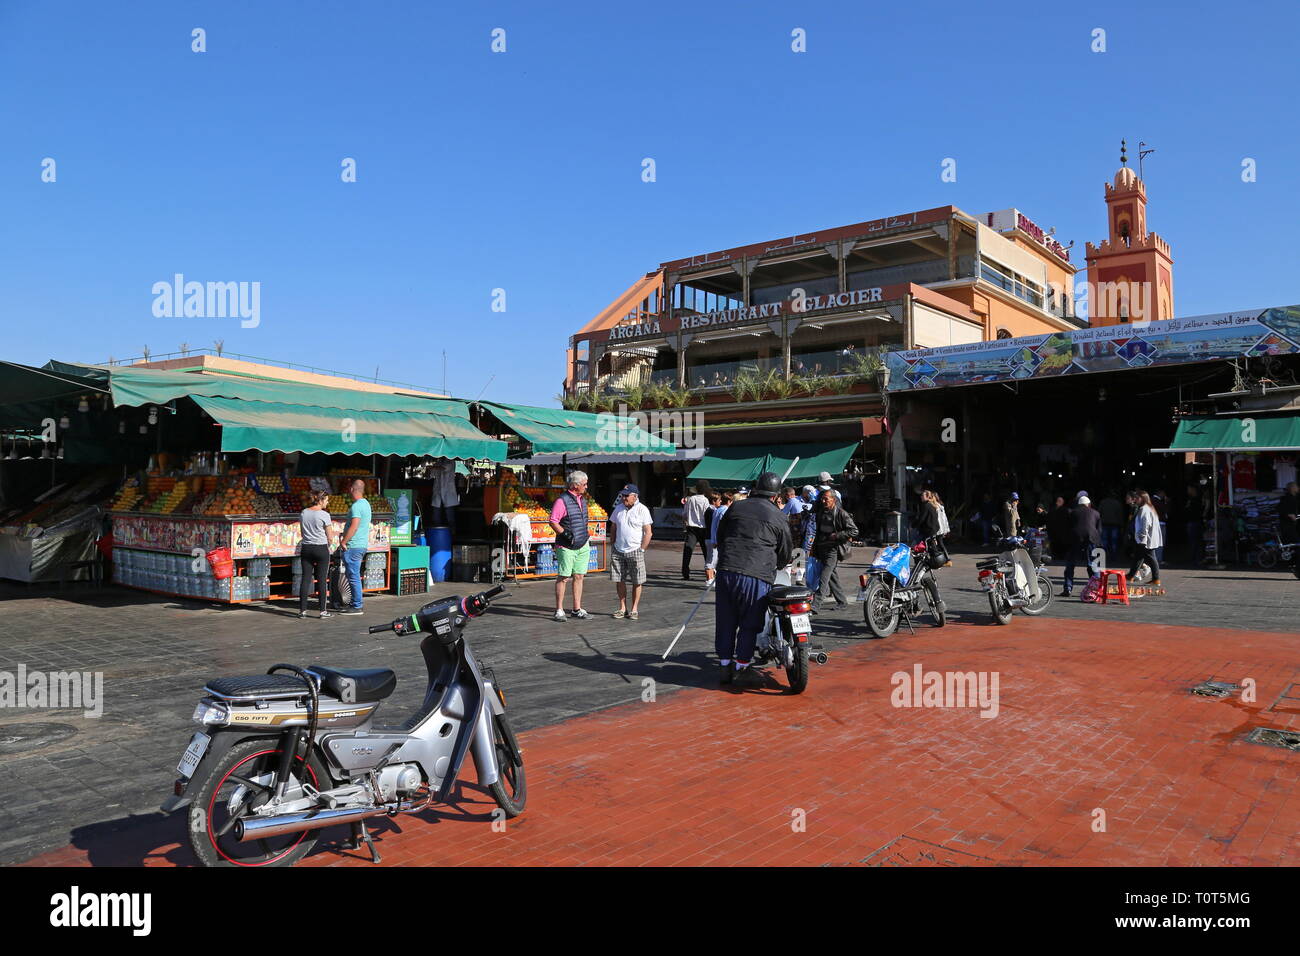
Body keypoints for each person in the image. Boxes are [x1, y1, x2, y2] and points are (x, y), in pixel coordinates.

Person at [714, 471, 792, 689]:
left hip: (727, 570)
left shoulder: (736, 507)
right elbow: (785, 552)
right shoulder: (778, 516)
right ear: (776, 495)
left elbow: (721, 537)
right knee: (750, 622)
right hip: (756, 574)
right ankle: (742, 667)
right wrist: (778, 564)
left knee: (726, 620)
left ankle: (724, 665)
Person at [549, 470, 592, 621]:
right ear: (575, 485)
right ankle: (559, 609)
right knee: (564, 577)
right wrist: (564, 533)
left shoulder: (582, 499)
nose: (586, 487)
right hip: (566, 546)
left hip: (582, 544)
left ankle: (576, 608)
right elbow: (553, 520)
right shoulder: (562, 500)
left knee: (579, 576)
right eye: (584, 484)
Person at [809, 487, 859, 612]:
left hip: (833, 550)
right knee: (831, 576)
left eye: (826, 499)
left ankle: (816, 605)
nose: (823, 501)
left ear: (833, 500)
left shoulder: (841, 513)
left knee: (824, 577)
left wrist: (837, 535)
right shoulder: (821, 513)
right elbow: (818, 532)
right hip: (822, 549)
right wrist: (814, 549)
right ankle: (842, 602)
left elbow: (854, 530)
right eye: (822, 499)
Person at [608, 484, 653, 620]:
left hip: (635, 550)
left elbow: (648, 532)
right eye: (622, 495)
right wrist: (613, 543)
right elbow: (614, 527)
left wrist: (642, 549)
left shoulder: (642, 509)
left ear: (635, 496)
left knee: (637, 581)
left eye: (627, 495)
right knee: (619, 579)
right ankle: (622, 607)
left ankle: (634, 609)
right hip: (619, 549)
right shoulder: (618, 509)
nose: (623, 498)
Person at [298, 490, 337, 619]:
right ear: (320, 501)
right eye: (326, 500)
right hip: (321, 549)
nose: (327, 502)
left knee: (305, 579)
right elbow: (330, 537)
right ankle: (322, 611)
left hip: (306, 548)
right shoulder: (324, 515)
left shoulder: (304, 513)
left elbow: (303, 532)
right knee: (321, 580)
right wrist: (329, 545)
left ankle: (302, 611)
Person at [337, 479, 370, 615]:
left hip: (354, 545)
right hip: (361, 544)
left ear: (352, 489)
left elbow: (354, 526)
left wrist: (344, 541)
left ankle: (357, 606)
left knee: (353, 576)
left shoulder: (356, 506)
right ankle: (354, 603)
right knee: (354, 575)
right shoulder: (366, 504)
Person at [1062, 495, 1101, 597]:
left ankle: (1068, 588)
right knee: (1092, 564)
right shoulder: (1096, 513)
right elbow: (1099, 530)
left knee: (1070, 564)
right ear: (1089, 504)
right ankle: (1095, 589)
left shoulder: (1072, 512)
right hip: (1091, 539)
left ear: (1079, 504)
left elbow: (1068, 527)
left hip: (1075, 538)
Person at [1127, 489, 1162, 587]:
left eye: (1137, 498)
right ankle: (1131, 575)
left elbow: (1145, 525)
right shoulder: (1148, 507)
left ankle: (1156, 579)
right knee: (1138, 557)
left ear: (1142, 498)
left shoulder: (1144, 509)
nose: (1135, 500)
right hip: (1146, 538)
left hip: (1145, 539)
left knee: (1151, 558)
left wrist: (1142, 538)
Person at [681, 480, 712, 580]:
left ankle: (685, 573)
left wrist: (686, 522)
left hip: (691, 528)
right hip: (703, 528)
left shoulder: (690, 499)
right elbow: (707, 514)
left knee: (688, 550)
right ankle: (709, 572)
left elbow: (684, 514)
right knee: (706, 552)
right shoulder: (705, 500)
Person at [1184, 484, 1206, 565]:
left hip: (1195, 521)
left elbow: (1194, 510)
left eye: (1189, 489)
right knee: (1194, 541)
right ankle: (1195, 558)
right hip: (1193, 521)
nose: (1188, 491)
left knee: (1196, 541)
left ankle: (1196, 559)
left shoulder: (1197, 499)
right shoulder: (1192, 499)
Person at [1098, 490, 1124, 558]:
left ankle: (1105, 554)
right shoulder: (1117, 503)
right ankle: (1113, 554)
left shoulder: (1103, 502)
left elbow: (1099, 512)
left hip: (1104, 523)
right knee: (1114, 540)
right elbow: (1120, 515)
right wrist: (1121, 525)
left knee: (1104, 540)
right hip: (1115, 524)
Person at [1279, 481, 1299, 566]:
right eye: (1296, 487)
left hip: (1291, 526)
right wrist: (1293, 517)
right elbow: (1289, 513)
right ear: (1292, 488)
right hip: (1288, 526)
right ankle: (1294, 563)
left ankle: (1292, 563)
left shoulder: (1294, 498)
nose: (1298, 488)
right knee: (1296, 544)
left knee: (1293, 545)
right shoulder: (1288, 498)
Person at [1047, 495, 1071, 560]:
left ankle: (1056, 556)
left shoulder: (1052, 510)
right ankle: (1061, 556)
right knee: (1061, 545)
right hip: (1063, 532)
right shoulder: (1066, 510)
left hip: (1054, 532)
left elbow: (1048, 521)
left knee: (1055, 545)